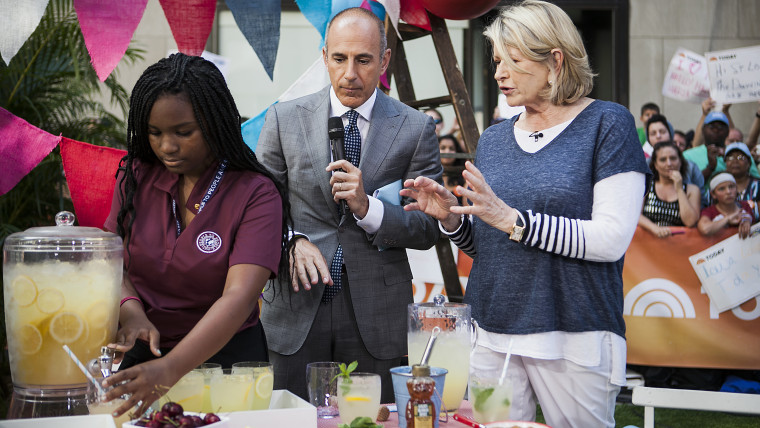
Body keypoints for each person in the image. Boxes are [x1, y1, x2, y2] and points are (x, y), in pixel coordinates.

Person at [401, 2, 649, 426]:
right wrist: (453, 219)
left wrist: (513, 220)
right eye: (497, 60)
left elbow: (610, 240)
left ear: (555, 60)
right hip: (492, 335)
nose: (498, 73)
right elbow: (491, 244)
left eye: (513, 60)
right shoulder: (495, 140)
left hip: (574, 337)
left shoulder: (609, 124)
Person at [256, 7, 442, 403]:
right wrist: (291, 240)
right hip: (296, 307)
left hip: (378, 315)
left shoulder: (416, 127)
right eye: (339, 59)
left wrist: (368, 208)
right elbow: (258, 209)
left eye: (363, 60)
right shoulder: (282, 118)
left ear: (384, 60)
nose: (349, 74)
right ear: (325, 56)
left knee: (374, 418)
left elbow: (429, 228)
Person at [100, 53, 292, 417]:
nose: (167, 147)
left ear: (214, 123)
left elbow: (237, 299)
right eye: (154, 133)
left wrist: (170, 370)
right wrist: (132, 313)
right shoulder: (136, 176)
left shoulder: (256, 193)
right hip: (144, 357)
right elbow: (111, 263)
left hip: (227, 364)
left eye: (183, 132)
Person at [639, 142, 701, 238]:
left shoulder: (692, 190)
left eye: (673, 158)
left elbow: (690, 222)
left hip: (681, 248)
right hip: (648, 248)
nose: (669, 163)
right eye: (663, 160)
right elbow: (635, 215)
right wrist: (654, 228)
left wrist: (680, 189)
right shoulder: (646, 186)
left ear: (680, 161)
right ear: (655, 164)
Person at [644, 114, 703, 190]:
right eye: (653, 133)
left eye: (662, 132)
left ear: (671, 134)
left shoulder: (691, 167)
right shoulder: (644, 166)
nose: (658, 136)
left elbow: (701, 199)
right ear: (648, 139)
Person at [705, 142, 760, 219]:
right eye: (730, 158)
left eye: (740, 157)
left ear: (749, 163)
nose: (735, 161)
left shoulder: (758, 185)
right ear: (725, 163)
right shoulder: (716, 187)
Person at [698, 173, 755, 239]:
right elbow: (705, 229)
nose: (728, 192)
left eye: (731, 187)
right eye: (722, 189)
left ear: (736, 189)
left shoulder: (745, 206)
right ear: (713, 194)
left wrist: (748, 224)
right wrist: (727, 219)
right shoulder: (709, 211)